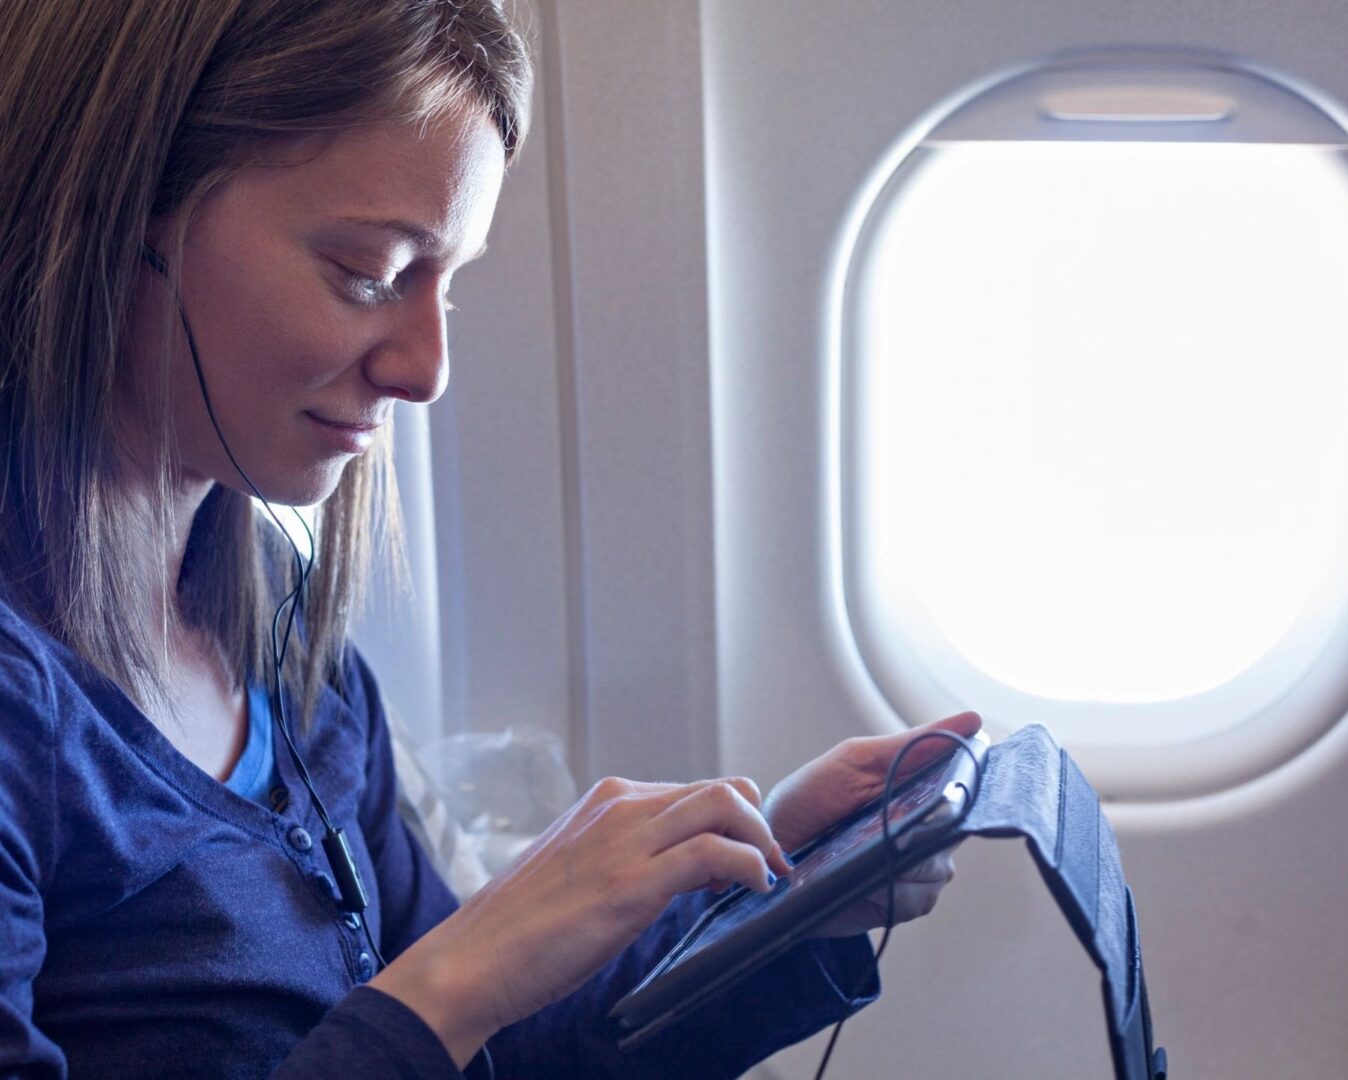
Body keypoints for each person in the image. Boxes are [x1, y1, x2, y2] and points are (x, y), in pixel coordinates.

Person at [0, 2, 981, 1077]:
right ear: (111, 209)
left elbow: (481, 1054)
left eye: (449, 289)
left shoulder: (274, 631)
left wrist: (773, 894)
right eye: (371, 272)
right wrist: (455, 974)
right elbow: (433, 1009)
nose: (425, 372)